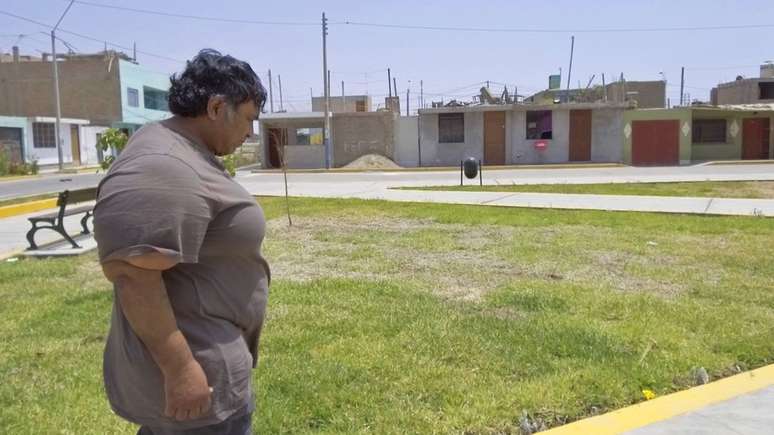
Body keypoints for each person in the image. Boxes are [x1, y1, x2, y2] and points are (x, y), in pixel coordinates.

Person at [94, 49, 270, 435]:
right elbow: (132, 274)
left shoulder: (185, 153)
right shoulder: (163, 163)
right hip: (197, 384)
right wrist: (180, 369)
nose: (250, 134)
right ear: (216, 106)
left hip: (210, 365)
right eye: (248, 120)